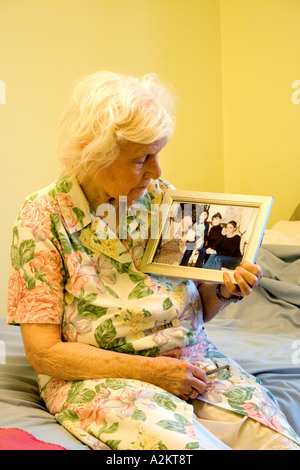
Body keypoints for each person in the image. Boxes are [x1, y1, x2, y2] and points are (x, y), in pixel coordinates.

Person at [7, 71, 300, 450]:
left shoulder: (163, 199)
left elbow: (198, 310)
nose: (156, 172)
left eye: (157, 154)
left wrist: (224, 291)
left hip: (194, 364)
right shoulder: (42, 217)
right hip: (101, 379)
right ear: (94, 157)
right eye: (141, 159)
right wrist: (151, 372)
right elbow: (43, 352)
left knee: (280, 446)